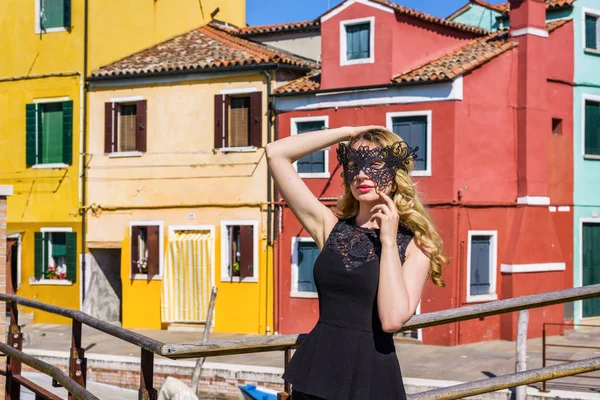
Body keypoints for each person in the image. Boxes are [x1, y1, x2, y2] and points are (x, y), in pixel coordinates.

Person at [265, 126, 447, 400]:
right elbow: (276, 153)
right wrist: (347, 132)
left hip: (371, 377)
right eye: (353, 165)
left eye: (373, 164)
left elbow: (392, 319)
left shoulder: (416, 245)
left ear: (396, 174)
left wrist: (387, 241)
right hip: (317, 372)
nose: (361, 173)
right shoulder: (330, 227)